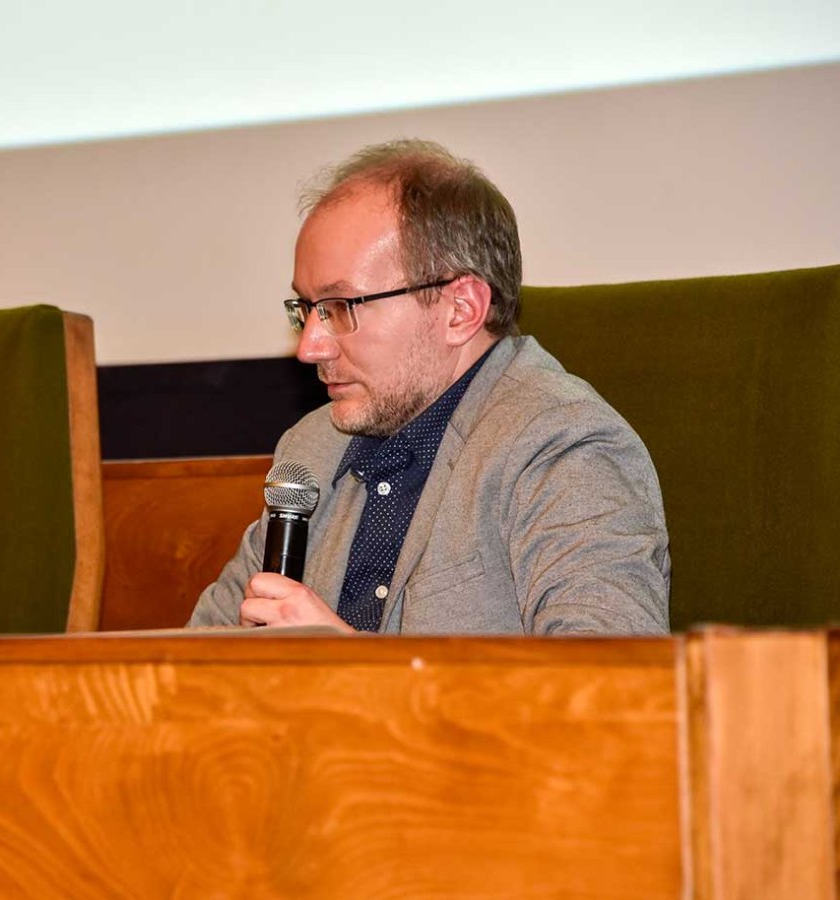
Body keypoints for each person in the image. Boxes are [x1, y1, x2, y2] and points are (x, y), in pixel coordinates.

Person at [190, 140, 669, 635]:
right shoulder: (312, 448)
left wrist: (350, 665)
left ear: (460, 310)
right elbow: (192, 653)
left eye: (340, 308)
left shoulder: (563, 445)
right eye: (307, 309)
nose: (309, 348)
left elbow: (608, 676)